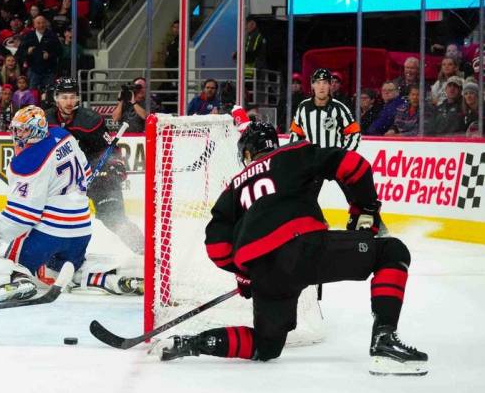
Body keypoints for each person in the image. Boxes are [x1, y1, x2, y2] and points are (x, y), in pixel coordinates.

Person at [154, 122, 428, 376]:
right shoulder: (293, 152)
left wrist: (246, 274)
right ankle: (384, 341)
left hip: (265, 271)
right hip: (304, 248)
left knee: (266, 347)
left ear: (247, 153)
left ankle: (193, 343)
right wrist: (364, 208)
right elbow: (353, 164)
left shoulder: (234, 187)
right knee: (392, 252)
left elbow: (216, 246)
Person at [0, 106, 143, 302]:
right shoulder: (63, 135)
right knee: (59, 268)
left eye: (24, 130)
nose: (18, 134)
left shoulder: (28, 161)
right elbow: (85, 172)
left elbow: (22, 217)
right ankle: (109, 278)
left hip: (49, 234)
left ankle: (17, 281)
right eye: (17, 129)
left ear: (37, 129)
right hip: (80, 232)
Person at [46, 77, 145, 254]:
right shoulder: (46, 121)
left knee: (114, 218)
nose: (69, 102)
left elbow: (110, 148)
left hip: (99, 178)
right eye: (64, 97)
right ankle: (58, 259)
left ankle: (145, 252)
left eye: (72, 97)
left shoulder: (90, 120)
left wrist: (115, 164)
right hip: (65, 182)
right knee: (56, 221)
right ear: (55, 98)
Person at [290, 68, 360, 150]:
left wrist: (343, 154)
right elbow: (295, 134)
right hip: (311, 160)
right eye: (318, 82)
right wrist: (298, 155)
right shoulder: (303, 107)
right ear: (312, 85)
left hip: (332, 161)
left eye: (325, 83)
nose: (321, 87)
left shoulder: (339, 108)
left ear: (330, 85)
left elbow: (354, 133)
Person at [16, 15, 61, 90]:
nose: (41, 25)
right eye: (38, 23)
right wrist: (27, 52)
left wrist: (49, 55)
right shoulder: (28, 36)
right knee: (32, 93)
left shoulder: (52, 36)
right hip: (33, 70)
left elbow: (59, 52)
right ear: (34, 24)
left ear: (46, 23)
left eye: (43, 23)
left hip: (49, 71)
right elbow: (20, 52)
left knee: (48, 94)